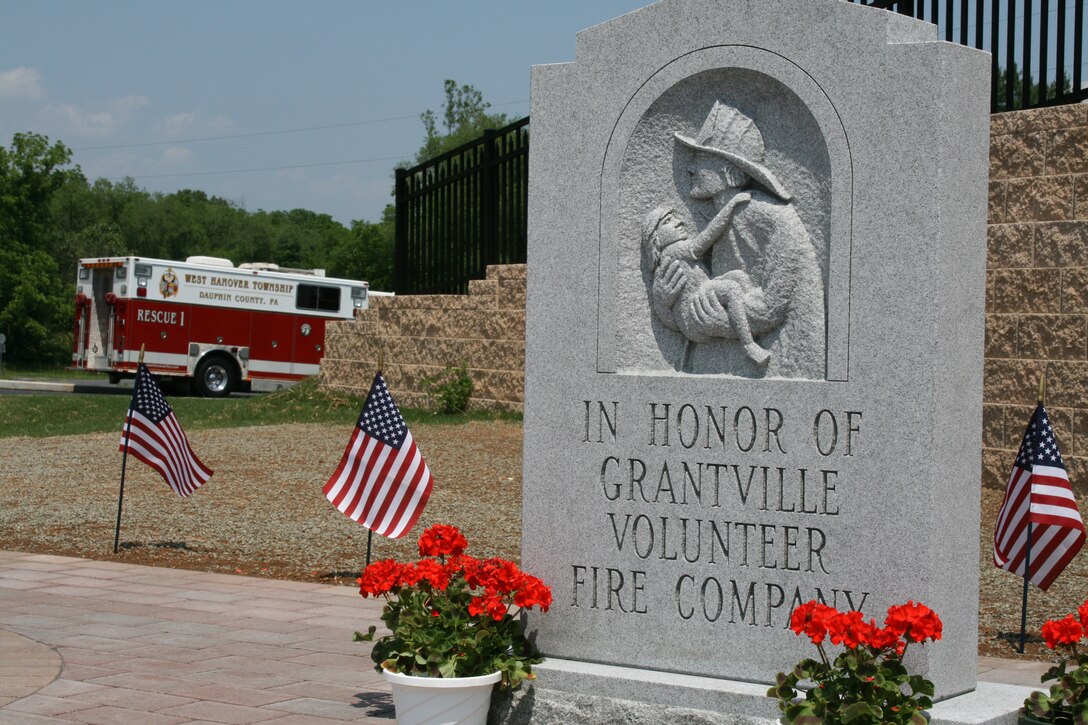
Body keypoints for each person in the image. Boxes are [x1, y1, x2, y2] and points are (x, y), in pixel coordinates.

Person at [656, 101, 825, 379]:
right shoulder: (719, 216)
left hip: (776, 366)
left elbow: (771, 307)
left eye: (702, 157)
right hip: (712, 366)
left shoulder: (772, 219)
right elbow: (694, 302)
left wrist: (718, 322)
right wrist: (665, 303)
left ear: (728, 168)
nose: (691, 168)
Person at [642, 203, 770, 366]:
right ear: (656, 239)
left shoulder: (665, 260)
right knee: (732, 288)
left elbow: (667, 313)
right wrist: (729, 208)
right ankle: (749, 345)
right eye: (668, 221)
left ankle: (746, 314)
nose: (679, 222)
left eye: (675, 217)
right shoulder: (674, 250)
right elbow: (705, 240)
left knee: (737, 277)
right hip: (696, 311)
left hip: (693, 315)